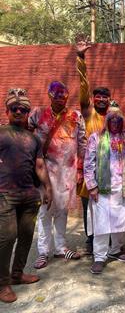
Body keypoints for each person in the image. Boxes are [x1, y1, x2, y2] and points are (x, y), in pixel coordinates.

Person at [0, 89, 52, 303]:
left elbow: (40, 165)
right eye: (15, 108)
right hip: (5, 195)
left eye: (24, 109)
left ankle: (17, 273)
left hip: (30, 195)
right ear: (7, 111)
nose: (19, 111)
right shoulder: (1, 132)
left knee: (26, 234)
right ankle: (2, 283)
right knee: (7, 237)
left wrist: (48, 187)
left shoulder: (33, 138)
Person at [29, 82, 86, 269]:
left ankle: (60, 247)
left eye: (64, 96)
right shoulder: (38, 114)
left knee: (62, 211)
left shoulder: (76, 116)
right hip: (45, 171)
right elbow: (26, 136)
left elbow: (82, 143)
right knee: (45, 212)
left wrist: (79, 169)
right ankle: (43, 251)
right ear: (50, 96)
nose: (60, 100)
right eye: (57, 96)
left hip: (67, 173)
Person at [84, 109, 125, 274]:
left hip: (123, 188)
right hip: (103, 189)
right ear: (107, 122)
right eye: (112, 120)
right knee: (102, 224)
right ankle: (99, 256)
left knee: (120, 222)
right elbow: (89, 163)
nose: (115, 124)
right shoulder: (96, 137)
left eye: (118, 121)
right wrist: (91, 185)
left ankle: (115, 250)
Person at [76, 38, 113, 254]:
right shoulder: (88, 114)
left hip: (109, 171)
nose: (100, 99)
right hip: (89, 168)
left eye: (104, 97)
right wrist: (81, 58)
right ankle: (90, 241)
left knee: (106, 206)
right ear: (93, 99)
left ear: (110, 100)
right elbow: (82, 87)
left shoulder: (114, 118)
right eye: (97, 96)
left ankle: (107, 240)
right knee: (88, 207)